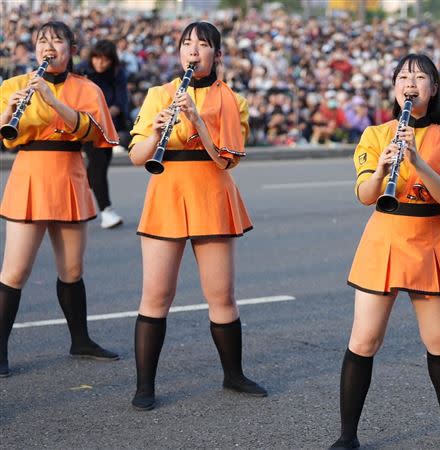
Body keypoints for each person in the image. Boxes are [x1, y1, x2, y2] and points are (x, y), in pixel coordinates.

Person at [329, 54, 440, 450]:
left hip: (428, 240)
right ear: (394, 87)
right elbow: (366, 195)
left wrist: (416, 159)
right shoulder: (375, 134)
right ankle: (347, 435)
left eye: (420, 76)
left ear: (433, 89)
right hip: (383, 240)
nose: (410, 82)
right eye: (403, 76)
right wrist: (383, 170)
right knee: (363, 341)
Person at [127, 21, 266, 411]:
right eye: (187, 44)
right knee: (156, 295)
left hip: (212, 192)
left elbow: (227, 159)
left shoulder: (232, 100)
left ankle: (233, 375)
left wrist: (199, 122)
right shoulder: (159, 94)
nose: (193, 51)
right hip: (166, 191)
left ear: (217, 55)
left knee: (221, 296)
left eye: (202, 45)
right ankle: (144, 386)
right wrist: (156, 132)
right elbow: (137, 156)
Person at [0, 21, 120, 378]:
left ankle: (80, 340)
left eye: (57, 40)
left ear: (71, 49)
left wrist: (51, 100)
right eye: (42, 41)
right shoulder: (13, 85)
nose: (48, 46)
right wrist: (8, 113)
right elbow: (6, 134)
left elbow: (94, 133)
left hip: (69, 171)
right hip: (30, 173)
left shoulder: (86, 88)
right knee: (15, 270)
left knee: (72, 270)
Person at [76, 39, 129, 229]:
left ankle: (77, 189)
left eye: (105, 60)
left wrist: (107, 112)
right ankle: (106, 211)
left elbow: (121, 100)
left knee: (100, 167)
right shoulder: (82, 70)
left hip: (108, 125)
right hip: (87, 126)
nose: (100, 63)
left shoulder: (117, 72)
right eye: (97, 58)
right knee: (98, 166)